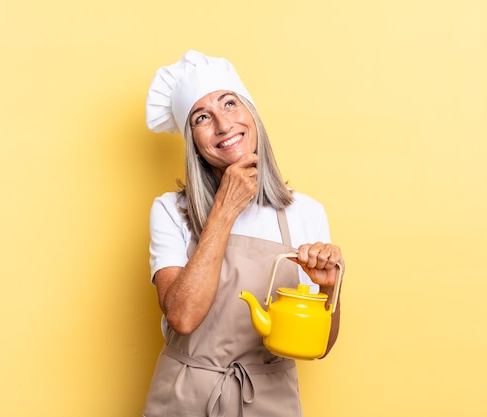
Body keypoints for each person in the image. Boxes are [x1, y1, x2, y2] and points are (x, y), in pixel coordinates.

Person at [142, 50, 344, 417]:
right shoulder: (170, 211)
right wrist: (224, 208)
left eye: (230, 103)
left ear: (251, 114)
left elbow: (319, 347)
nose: (223, 124)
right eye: (202, 117)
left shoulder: (306, 213)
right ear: (194, 142)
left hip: (269, 401)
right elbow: (182, 318)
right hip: (185, 398)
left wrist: (329, 290)